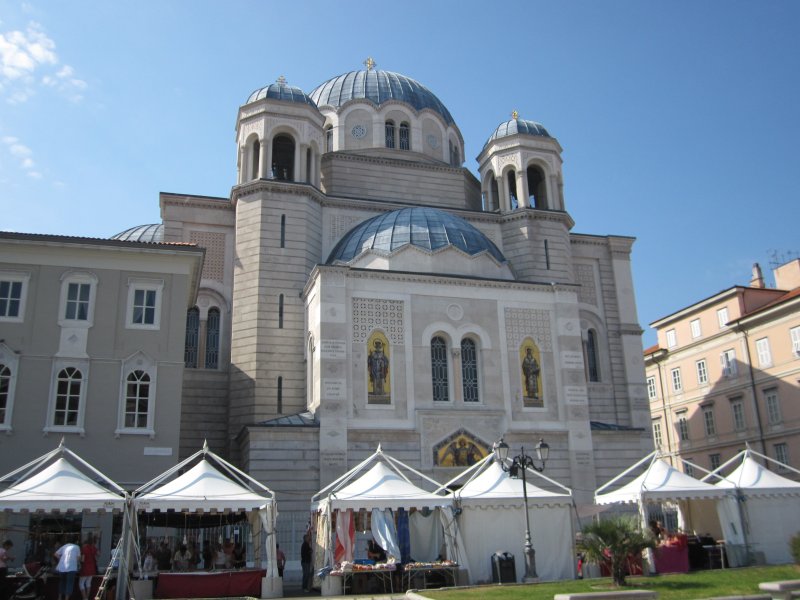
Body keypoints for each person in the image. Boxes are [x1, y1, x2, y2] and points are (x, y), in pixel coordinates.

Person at [79, 535, 98, 600]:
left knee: (81, 583)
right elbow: (98, 554)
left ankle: (85, 598)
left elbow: (82, 560)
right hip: (92, 568)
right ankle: (87, 597)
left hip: (85, 568)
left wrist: (79, 560)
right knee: (88, 583)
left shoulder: (84, 549)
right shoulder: (94, 548)